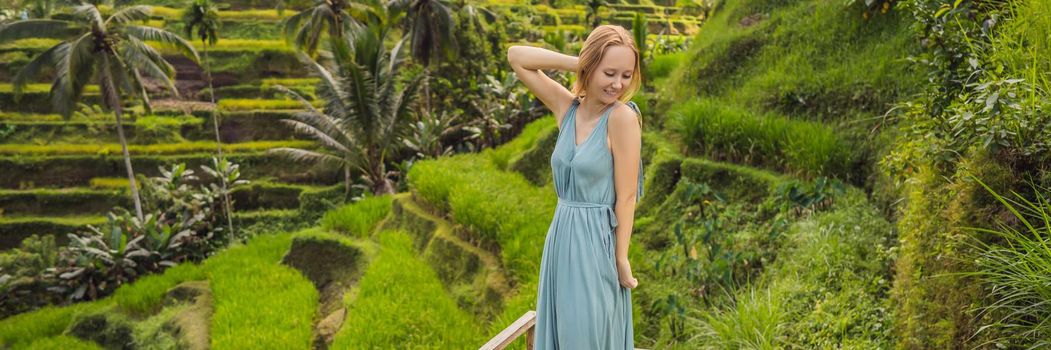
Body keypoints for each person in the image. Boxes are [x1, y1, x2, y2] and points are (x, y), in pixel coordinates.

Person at [506, 24, 645, 349]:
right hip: (561, 238)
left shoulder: (622, 118)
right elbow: (517, 57)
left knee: (586, 333)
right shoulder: (567, 108)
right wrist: (579, 61)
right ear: (591, 66)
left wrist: (620, 258)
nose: (617, 84)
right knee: (562, 331)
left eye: (626, 75)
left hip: (596, 243)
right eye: (609, 72)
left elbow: (625, 197)